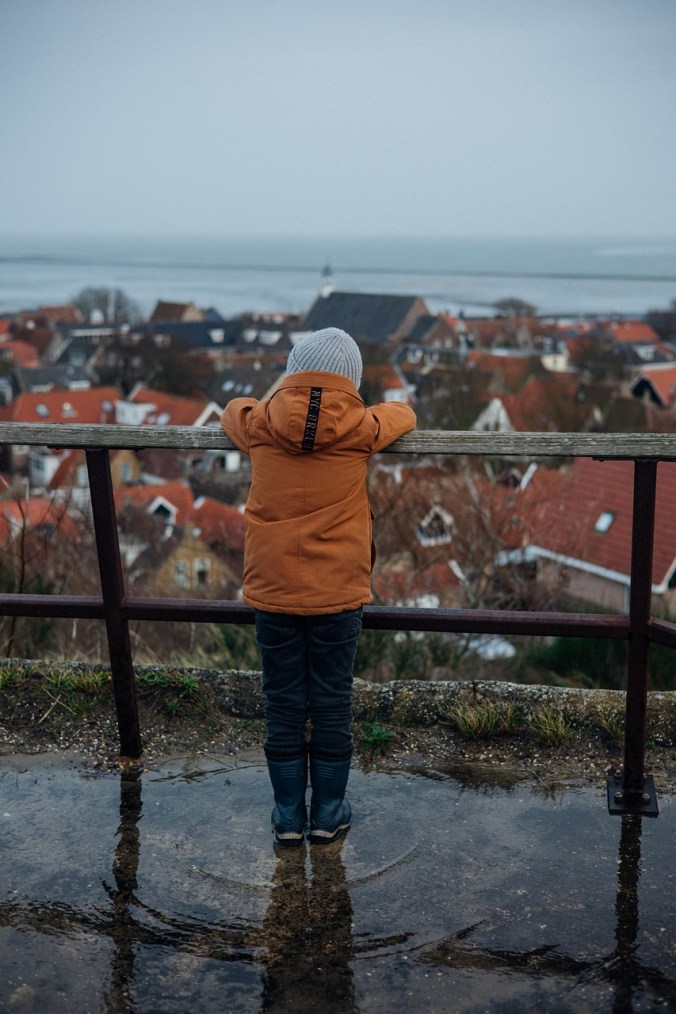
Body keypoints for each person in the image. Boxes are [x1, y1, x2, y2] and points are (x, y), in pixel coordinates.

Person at [220, 327, 416, 846]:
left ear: (290, 373)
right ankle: (328, 811)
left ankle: (288, 815)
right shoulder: (363, 426)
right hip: (338, 591)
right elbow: (405, 414)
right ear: (350, 381)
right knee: (331, 700)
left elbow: (231, 409)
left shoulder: (259, 423)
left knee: (283, 700)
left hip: (273, 588)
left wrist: (269, 397)